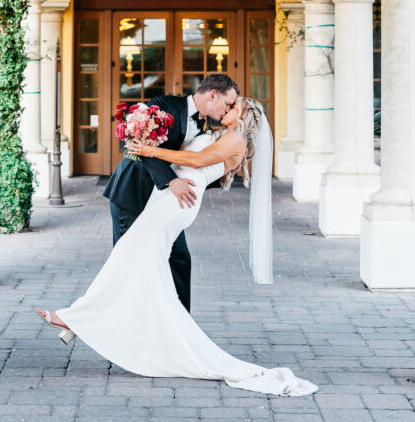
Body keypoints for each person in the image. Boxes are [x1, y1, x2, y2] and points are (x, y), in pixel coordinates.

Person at [36, 98, 318, 396]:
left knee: (129, 255)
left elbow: (196, 162)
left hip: (177, 203)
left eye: (234, 107)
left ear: (244, 118)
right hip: (168, 198)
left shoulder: (237, 140)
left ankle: (76, 318)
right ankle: (119, 328)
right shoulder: (221, 134)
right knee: (142, 264)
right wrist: (146, 134)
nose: (226, 110)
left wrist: (150, 150)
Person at [101, 73, 239, 312]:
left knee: (179, 259)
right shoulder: (164, 105)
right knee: (128, 261)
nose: (228, 110)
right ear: (213, 95)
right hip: (132, 194)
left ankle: (179, 324)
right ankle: (115, 319)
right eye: (227, 104)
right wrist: (172, 181)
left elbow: (193, 162)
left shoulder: (206, 124)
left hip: (162, 203)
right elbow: (138, 146)